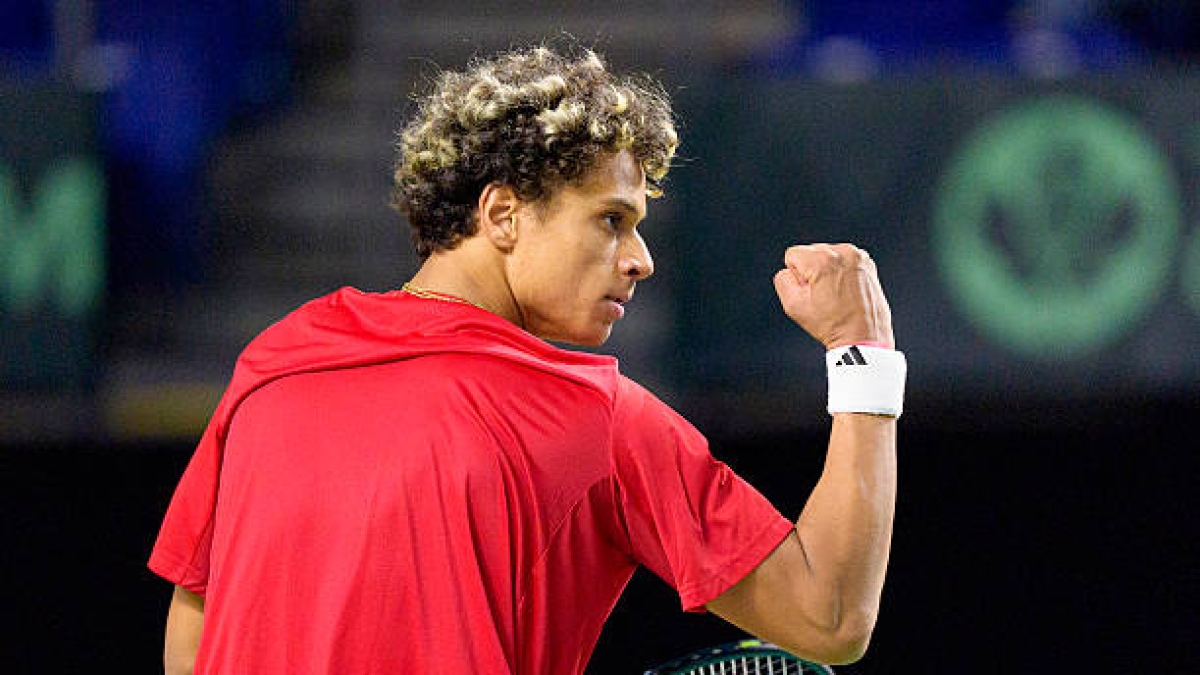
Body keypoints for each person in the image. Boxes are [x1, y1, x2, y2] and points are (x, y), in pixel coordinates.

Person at [149, 45, 905, 674]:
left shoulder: (276, 360)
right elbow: (830, 613)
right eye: (611, 219)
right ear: (503, 213)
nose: (639, 258)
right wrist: (862, 351)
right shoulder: (591, 415)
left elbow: (194, 621)